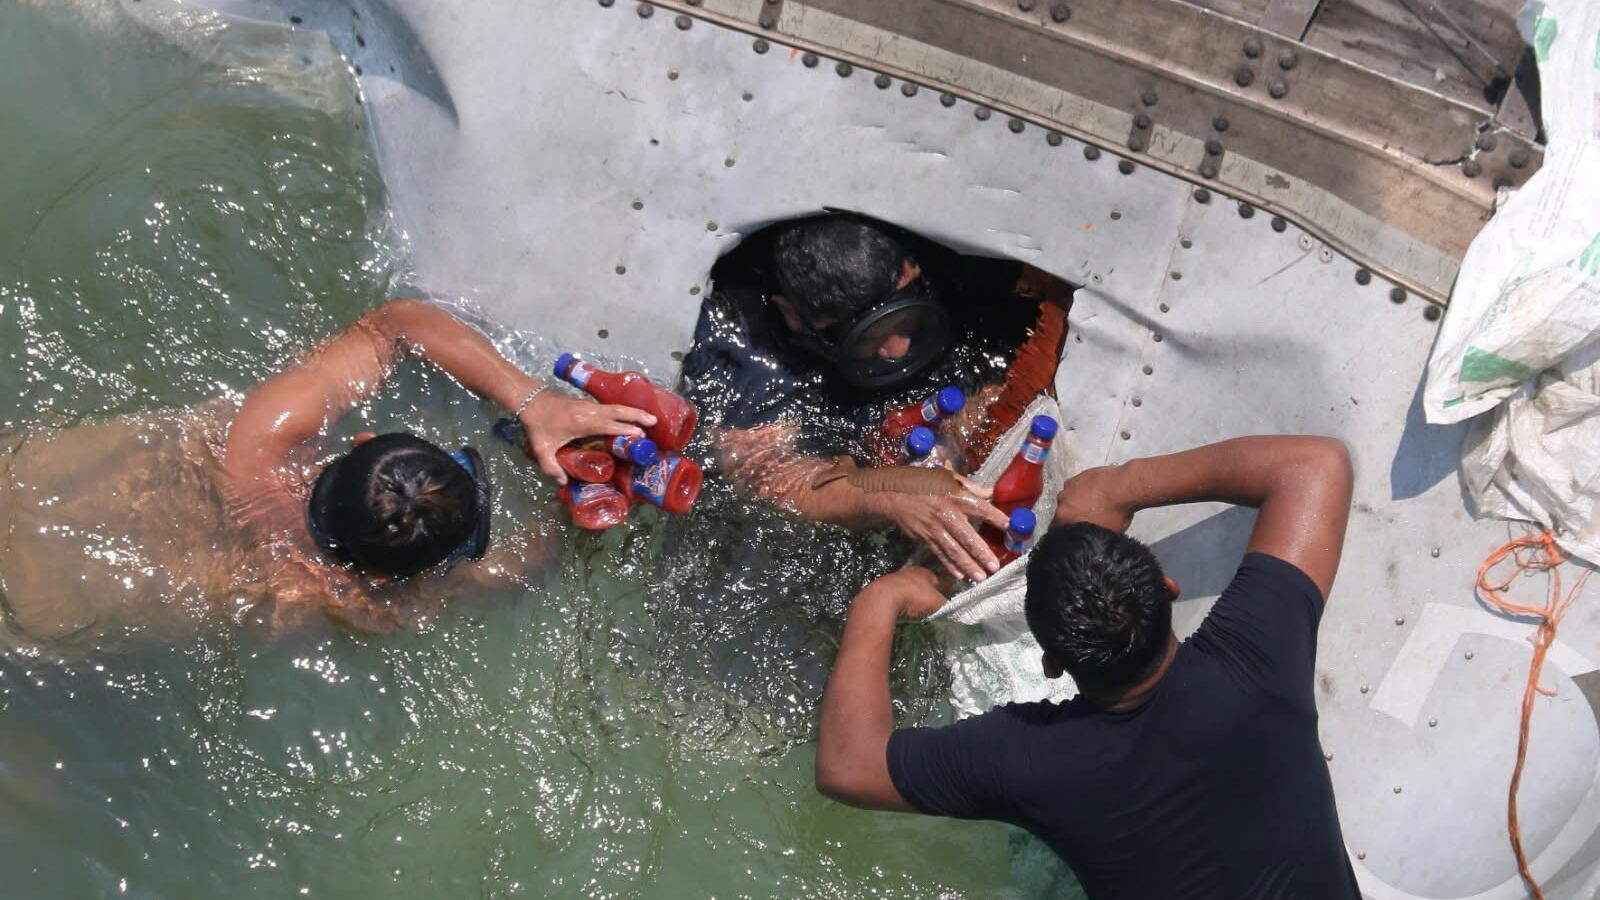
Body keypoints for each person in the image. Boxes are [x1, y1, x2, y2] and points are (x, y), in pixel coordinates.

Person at [815, 435, 1359, 899]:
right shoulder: (1256, 659)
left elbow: (848, 767)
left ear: (1051, 664)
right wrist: (1123, 484)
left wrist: (876, 603)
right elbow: (1316, 465)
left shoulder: (1031, 759)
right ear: (1167, 590)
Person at [0, 298, 653, 644]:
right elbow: (513, 570)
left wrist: (534, 403)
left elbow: (396, 326)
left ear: (362, 440)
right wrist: (582, 519)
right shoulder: (329, 598)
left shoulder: (260, 434)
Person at [682, 213, 1071, 582]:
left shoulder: (951, 268)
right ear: (793, 316)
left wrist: (973, 420)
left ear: (913, 270)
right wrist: (889, 493)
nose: (898, 350)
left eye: (908, 319)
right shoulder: (745, 341)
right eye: (868, 336)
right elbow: (771, 477)